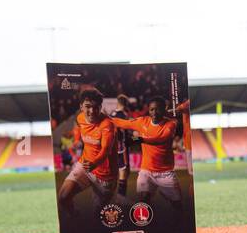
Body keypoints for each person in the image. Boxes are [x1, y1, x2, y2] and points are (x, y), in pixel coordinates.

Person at [108, 96, 185, 213]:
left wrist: (137, 139)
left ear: (164, 110)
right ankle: (149, 228)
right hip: (146, 171)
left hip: (165, 173)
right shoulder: (142, 121)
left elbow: (159, 139)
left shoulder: (171, 124)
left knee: (178, 206)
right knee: (144, 202)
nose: (154, 113)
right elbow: (122, 123)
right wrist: (102, 119)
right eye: (151, 110)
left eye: (157, 109)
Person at [58, 90, 118, 218]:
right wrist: (76, 141)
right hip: (85, 166)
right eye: (88, 107)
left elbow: (105, 150)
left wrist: (94, 163)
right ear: (81, 106)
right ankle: (76, 217)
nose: (91, 111)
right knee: (63, 197)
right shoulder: (80, 118)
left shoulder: (108, 125)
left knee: (99, 217)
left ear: (100, 107)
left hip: (105, 175)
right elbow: (83, 132)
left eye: (96, 107)